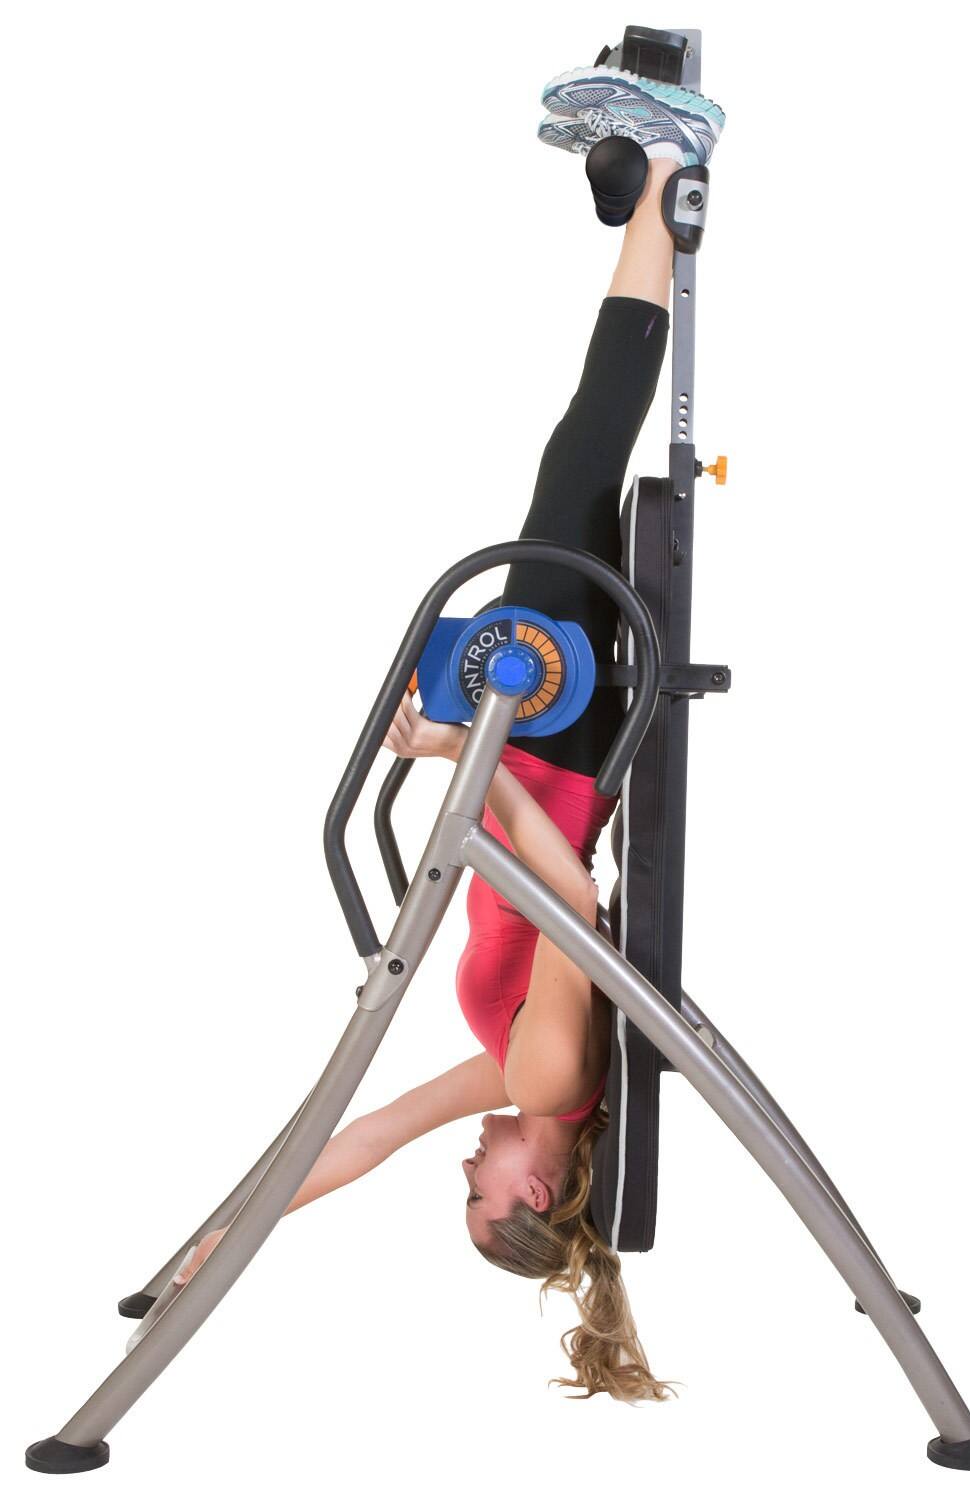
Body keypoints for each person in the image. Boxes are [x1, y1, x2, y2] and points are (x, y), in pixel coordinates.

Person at [177, 64, 725, 1403]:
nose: (465, 1170)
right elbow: (574, 901)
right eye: (481, 1194)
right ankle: (664, 163)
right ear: (535, 1189)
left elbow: (360, 1134)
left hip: (530, 749)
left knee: (577, 459)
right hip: (543, 744)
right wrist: (460, 765)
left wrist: (218, 1244)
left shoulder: (527, 1082)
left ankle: (644, 186)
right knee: (580, 453)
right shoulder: (547, 1068)